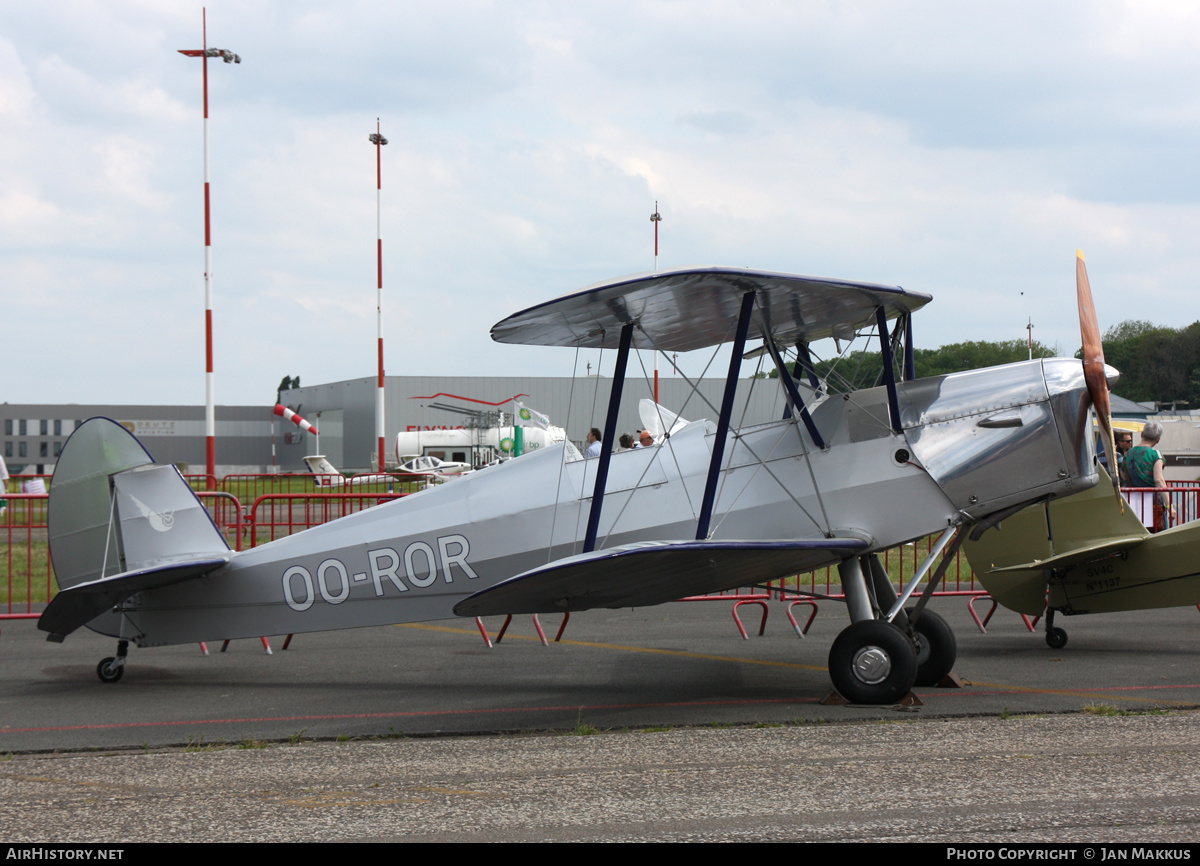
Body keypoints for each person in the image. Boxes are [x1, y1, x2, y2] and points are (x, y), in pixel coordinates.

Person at [1123, 421, 1176, 531]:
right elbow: (1159, 480)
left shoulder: (1127, 454)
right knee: (1158, 532)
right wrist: (1169, 506)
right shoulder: (1155, 455)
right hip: (1152, 502)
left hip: (1130, 500)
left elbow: (1123, 477)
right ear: (1158, 440)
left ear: (1142, 434)